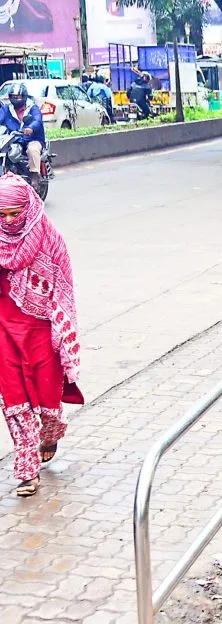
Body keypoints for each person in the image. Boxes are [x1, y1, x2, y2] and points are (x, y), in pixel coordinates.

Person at [0, 174, 83, 497]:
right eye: (1, 215)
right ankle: (26, 470)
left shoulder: (50, 239)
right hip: (4, 329)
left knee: (47, 399)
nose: (8, 221)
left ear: (29, 207)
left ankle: (50, 435)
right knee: (14, 397)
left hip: (41, 330)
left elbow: (63, 292)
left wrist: (63, 334)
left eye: (14, 213)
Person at [0, 83, 45, 187]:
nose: (16, 99)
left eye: (18, 97)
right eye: (13, 97)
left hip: (32, 138)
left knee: (32, 149)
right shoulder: (6, 109)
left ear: (24, 97)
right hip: (13, 139)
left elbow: (37, 120)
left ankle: (34, 176)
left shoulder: (32, 108)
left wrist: (31, 128)